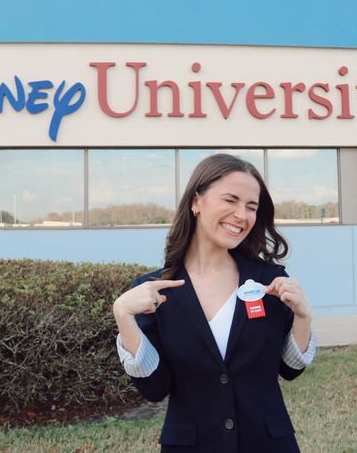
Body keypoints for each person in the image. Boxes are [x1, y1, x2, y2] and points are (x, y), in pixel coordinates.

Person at [113, 153, 316, 452]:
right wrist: (123, 316)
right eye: (230, 200)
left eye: (251, 207)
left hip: (268, 444)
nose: (242, 215)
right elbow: (155, 388)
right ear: (197, 201)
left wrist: (303, 317)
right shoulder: (154, 291)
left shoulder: (268, 281)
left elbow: (290, 369)